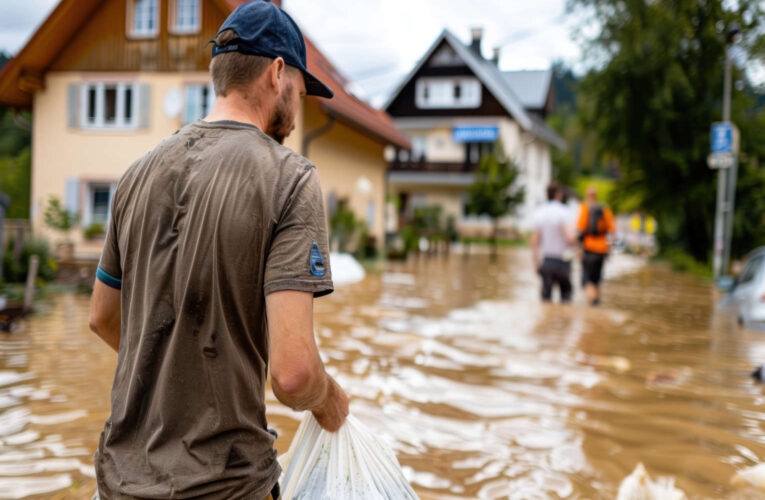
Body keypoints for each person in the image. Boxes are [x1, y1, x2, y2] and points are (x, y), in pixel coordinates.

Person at [87, 2, 349, 499]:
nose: (298, 108)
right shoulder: (289, 179)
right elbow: (293, 375)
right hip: (225, 486)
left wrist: (168, 375)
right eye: (299, 88)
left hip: (117, 483)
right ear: (276, 74)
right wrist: (331, 401)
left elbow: (102, 317)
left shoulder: (135, 175)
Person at [531, 182, 577, 303]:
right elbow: (569, 238)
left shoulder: (540, 212)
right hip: (564, 260)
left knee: (546, 300)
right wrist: (578, 247)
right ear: (558, 194)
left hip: (547, 261)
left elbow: (534, 241)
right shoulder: (564, 211)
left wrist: (536, 263)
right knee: (566, 299)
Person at [577, 186, 616, 306]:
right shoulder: (605, 209)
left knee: (586, 281)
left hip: (588, 249)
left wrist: (578, 249)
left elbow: (580, 229)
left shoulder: (584, 208)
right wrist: (609, 249)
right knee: (596, 280)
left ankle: (594, 303)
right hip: (601, 250)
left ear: (587, 195)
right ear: (597, 195)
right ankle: (596, 303)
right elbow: (612, 232)